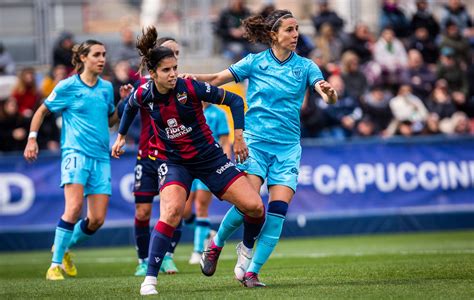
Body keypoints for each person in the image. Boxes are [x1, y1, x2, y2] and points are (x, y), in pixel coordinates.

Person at [184, 9, 337, 287]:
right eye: (289, 30)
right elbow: (218, 79)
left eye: (296, 29)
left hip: (288, 148)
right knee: (249, 204)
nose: (295, 35)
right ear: (273, 35)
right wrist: (188, 78)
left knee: (277, 212)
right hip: (255, 143)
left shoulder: (306, 66)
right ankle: (216, 243)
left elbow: (322, 91)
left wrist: (329, 92)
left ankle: (252, 271)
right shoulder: (254, 62)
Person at [111, 26, 265, 296]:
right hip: (173, 162)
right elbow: (131, 108)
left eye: (175, 68)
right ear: (153, 73)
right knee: (170, 212)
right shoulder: (143, 93)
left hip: (209, 157)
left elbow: (234, 101)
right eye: (167, 70)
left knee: (255, 206)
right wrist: (121, 136)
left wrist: (238, 136)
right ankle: (150, 279)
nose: (173, 74)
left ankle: (244, 250)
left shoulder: (190, 86)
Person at [23, 40, 123, 280]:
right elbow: (41, 111)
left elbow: (110, 121)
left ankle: (64, 247)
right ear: (82, 59)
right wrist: (32, 139)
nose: (102, 59)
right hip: (74, 153)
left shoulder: (106, 88)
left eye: (104, 54)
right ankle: (54, 264)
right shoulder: (67, 86)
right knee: (74, 207)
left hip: (100, 157)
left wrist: (122, 102)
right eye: (97, 55)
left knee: (97, 220)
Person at [122, 37, 184, 276]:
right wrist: (123, 98)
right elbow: (123, 112)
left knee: (174, 210)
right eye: (170, 52)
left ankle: (167, 256)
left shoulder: (184, 84)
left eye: (177, 53)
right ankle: (141, 260)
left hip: (175, 157)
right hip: (147, 156)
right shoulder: (143, 86)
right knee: (143, 212)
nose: (174, 57)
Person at [187, 101, 231, 264]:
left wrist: (224, 164)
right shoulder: (189, 109)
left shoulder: (218, 113)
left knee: (200, 206)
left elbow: (225, 141)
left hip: (208, 164)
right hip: (189, 163)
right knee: (183, 210)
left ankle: (198, 250)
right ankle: (205, 232)